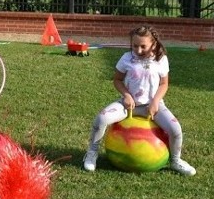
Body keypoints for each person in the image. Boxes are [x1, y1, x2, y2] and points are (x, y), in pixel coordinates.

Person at [82, 25, 196, 176]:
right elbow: (117, 80)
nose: (139, 50)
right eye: (135, 46)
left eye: (143, 46)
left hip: (154, 106)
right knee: (101, 119)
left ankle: (176, 160)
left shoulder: (161, 60)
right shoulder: (126, 58)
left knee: (176, 130)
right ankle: (92, 153)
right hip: (128, 105)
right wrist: (127, 95)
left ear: (153, 44)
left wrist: (155, 101)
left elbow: (164, 83)